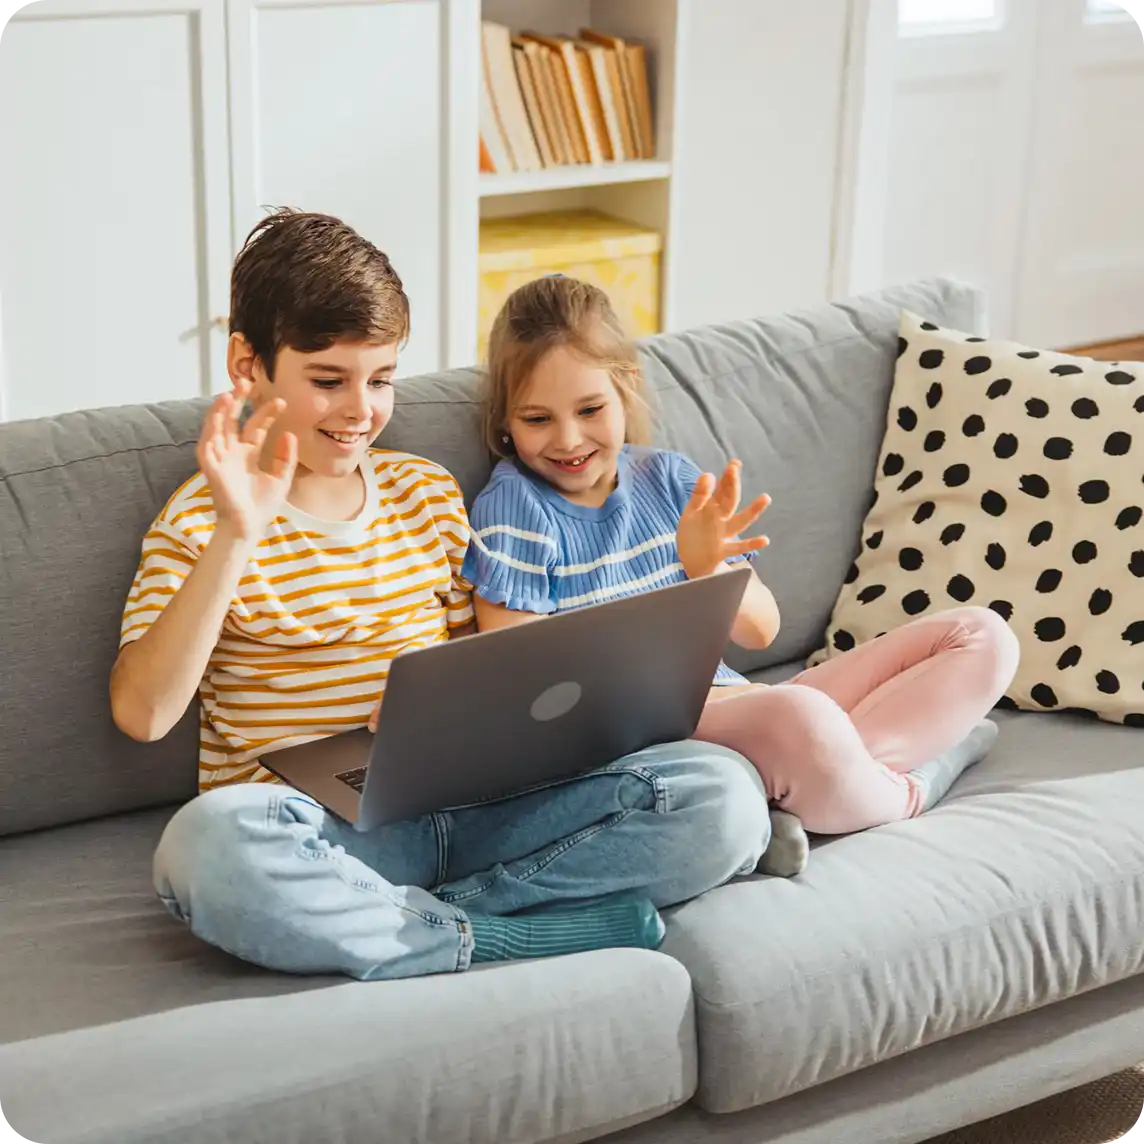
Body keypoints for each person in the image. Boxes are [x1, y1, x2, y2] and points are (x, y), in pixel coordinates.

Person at [110, 210, 773, 982]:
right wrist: (235, 533)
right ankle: (495, 935)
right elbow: (144, 713)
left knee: (722, 798)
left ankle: (437, 918)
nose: (361, 411)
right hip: (329, 834)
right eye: (329, 381)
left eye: (382, 380)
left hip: (476, 803)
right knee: (204, 850)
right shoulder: (199, 521)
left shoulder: (424, 492)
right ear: (247, 364)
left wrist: (457, 712)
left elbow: (494, 667)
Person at [461, 275, 1021, 840]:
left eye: (589, 409)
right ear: (506, 421)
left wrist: (709, 572)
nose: (568, 439)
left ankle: (806, 787)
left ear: (626, 389)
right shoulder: (515, 507)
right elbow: (521, 679)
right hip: (660, 737)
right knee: (803, 715)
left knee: (983, 635)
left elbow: (761, 632)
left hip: (751, 706)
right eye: (537, 419)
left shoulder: (671, 479)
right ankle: (920, 776)